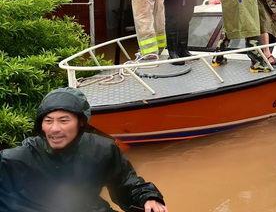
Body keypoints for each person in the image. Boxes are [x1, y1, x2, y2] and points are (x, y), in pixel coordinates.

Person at [0, 87, 168, 211]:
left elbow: (125, 182)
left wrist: (148, 197)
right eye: (48, 121)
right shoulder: (20, 157)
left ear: (81, 122)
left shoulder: (103, 149)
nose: (54, 128)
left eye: (64, 120)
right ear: (41, 125)